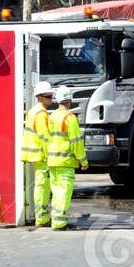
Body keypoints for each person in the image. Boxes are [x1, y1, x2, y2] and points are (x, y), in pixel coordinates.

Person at [45, 88, 88, 230]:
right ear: (70, 101)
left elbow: (47, 139)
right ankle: (59, 222)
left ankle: (56, 219)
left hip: (52, 161)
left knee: (56, 191)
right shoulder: (70, 118)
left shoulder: (51, 117)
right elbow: (76, 142)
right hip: (65, 162)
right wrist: (83, 161)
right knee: (64, 191)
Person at [21, 81, 55, 226]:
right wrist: (50, 154)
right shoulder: (41, 114)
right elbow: (44, 136)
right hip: (41, 155)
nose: (51, 99)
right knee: (42, 186)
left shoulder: (32, 111)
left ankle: (41, 216)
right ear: (40, 97)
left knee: (40, 185)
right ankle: (42, 218)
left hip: (34, 154)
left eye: (51, 96)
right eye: (48, 96)